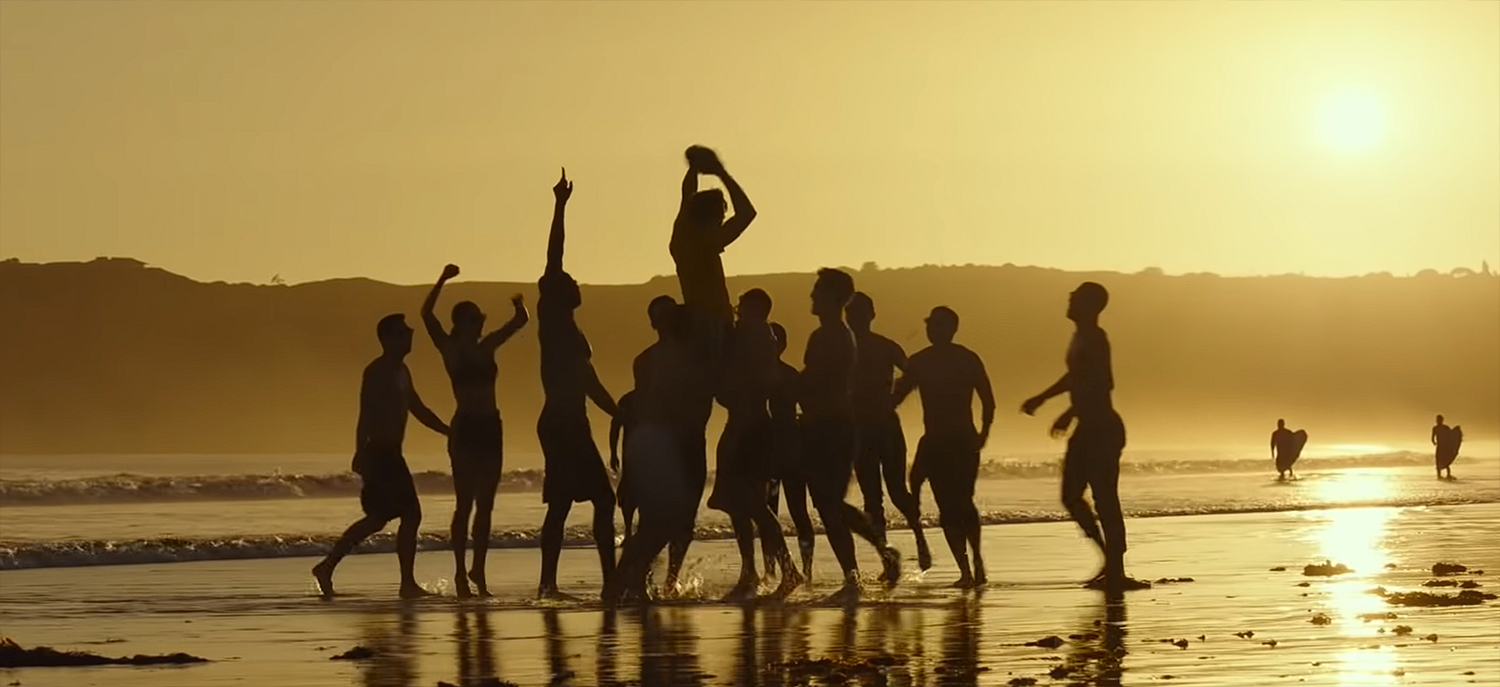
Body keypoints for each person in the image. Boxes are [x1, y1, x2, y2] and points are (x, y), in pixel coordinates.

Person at [1021, 282, 1150, 592]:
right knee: (1070, 496)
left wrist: (1071, 412)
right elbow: (1075, 377)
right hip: (1088, 427)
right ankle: (1109, 560)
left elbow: (1103, 383)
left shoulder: (1095, 338)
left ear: (1090, 305)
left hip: (1101, 428)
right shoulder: (1080, 337)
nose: (1069, 298)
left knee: (1105, 500)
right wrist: (1044, 397)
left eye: (1075, 297)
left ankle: (1116, 570)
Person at [312, 314, 449, 598]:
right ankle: (405, 583)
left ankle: (328, 566)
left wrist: (448, 431)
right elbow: (366, 412)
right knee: (404, 515)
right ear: (387, 338)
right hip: (379, 453)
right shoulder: (377, 371)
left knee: (380, 519)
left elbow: (418, 408)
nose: (409, 334)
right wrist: (360, 450)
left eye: (408, 331)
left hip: (392, 454)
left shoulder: (402, 371)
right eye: (402, 332)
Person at [420, 264, 529, 598]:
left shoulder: (487, 348)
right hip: (466, 427)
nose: (480, 323)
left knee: (486, 505)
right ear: (461, 323)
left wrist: (518, 303)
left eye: (480, 319)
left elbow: (521, 321)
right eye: (474, 319)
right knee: (464, 503)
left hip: (490, 427)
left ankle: (478, 570)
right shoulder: (451, 350)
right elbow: (426, 315)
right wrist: (442, 279)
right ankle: (459, 574)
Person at [536, 169, 620, 599]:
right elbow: (555, 257)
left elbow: (590, 383)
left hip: (575, 420)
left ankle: (604, 583)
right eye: (568, 282)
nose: (574, 281)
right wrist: (560, 206)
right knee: (573, 503)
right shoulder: (553, 321)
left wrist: (620, 411)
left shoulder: (572, 331)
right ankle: (555, 584)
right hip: (561, 421)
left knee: (583, 503)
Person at [800, 268, 902, 600]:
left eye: (817, 291)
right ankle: (860, 569)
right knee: (828, 505)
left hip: (832, 427)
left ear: (832, 297)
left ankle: (865, 563)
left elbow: (816, 380)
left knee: (828, 504)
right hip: (828, 425)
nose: (812, 297)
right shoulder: (836, 333)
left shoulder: (831, 335)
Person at [610, 301, 710, 602]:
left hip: (688, 444)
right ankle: (627, 579)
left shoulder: (695, 357)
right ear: (654, 323)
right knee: (660, 522)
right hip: (665, 447)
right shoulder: (649, 361)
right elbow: (640, 413)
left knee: (681, 522)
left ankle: (663, 582)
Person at [892, 306, 994, 587]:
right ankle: (967, 568)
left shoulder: (961, 359)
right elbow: (895, 397)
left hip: (958, 439)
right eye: (929, 325)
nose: (930, 329)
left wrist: (984, 432)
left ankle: (975, 563)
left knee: (959, 503)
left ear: (950, 328)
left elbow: (988, 399)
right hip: (940, 440)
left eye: (936, 325)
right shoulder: (922, 362)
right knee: (948, 505)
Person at [708, 288, 800, 599]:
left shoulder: (759, 335)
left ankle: (787, 571)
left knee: (752, 504)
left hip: (751, 428)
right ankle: (750, 571)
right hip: (741, 425)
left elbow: (758, 379)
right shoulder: (747, 335)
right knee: (738, 505)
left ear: (758, 310)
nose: (739, 312)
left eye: (745, 308)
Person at [847, 292, 932, 570]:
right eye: (852, 312)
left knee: (896, 491)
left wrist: (895, 397)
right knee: (873, 497)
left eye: (860, 313)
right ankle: (887, 559)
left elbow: (913, 373)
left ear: (871, 315)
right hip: (861, 427)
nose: (856, 318)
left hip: (883, 425)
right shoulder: (844, 348)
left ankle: (920, 539)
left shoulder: (883, 346)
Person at [672, 145, 757, 361]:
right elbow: (747, 213)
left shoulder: (681, 239)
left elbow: (687, 195)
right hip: (713, 327)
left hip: (697, 324)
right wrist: (721, 173)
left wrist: (693, 169)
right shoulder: (706, 243)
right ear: (712, 221)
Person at [767, 322, 816, 580]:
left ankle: (805, 569)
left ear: (782, 345)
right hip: (769, 451)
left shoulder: (788, 375)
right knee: (769, 511)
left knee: (798, 511)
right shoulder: (761, 374)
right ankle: (772, 569)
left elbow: (807, 408)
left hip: (791, 449)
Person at [610, 390, 638, 539]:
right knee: (630, 492)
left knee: (646, 492)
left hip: (650, 453)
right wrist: (613, 452)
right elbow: (615, 426)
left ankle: (637, 532)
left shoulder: (656, 400)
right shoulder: (628, 401)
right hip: (632, 454)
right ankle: (628, 531)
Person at [1432, 414, 1462, 479]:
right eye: (1437, 420)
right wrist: (1434, 442)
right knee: (1438, 461)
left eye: (1439, 420)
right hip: (1439, 447)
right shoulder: (1435, 428)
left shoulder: (1445, 427)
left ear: (1442, 420)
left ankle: (1448, 474)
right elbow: (1432, 437)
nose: (1438, 421)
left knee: (1446, 460)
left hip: (1444, 447)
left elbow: (1450, 436)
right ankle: (1439, 475)